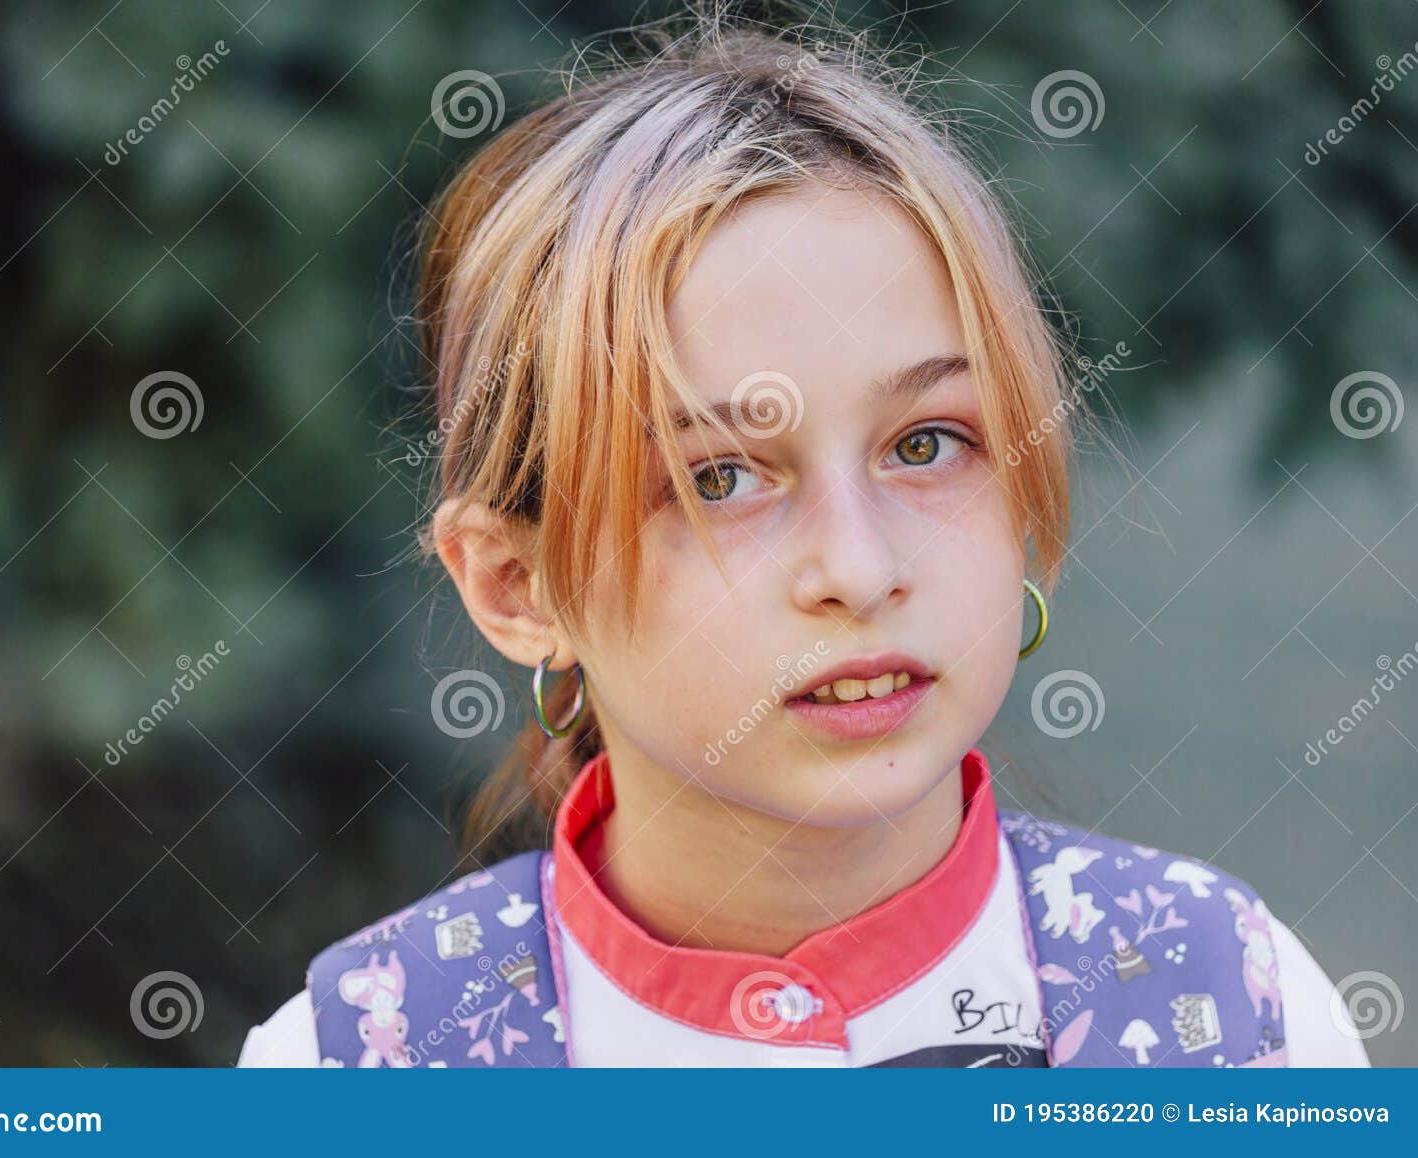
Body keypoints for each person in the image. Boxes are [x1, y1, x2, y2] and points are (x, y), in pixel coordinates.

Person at [238, 4, 1369, 1068]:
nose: (861, 570)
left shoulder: (1231, 1014)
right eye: (719, 477)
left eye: (926, 445)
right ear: (517, 586)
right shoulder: (358, 1066)